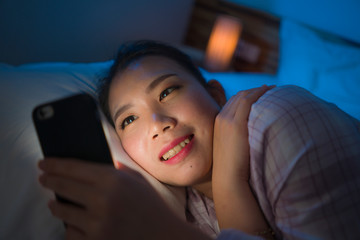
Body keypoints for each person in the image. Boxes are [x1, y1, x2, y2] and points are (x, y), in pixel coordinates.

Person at [38, 40, 360, 240]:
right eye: (130, 119)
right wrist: (228, 182)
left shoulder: (279, 118)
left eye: (167, 91)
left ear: (215, 94)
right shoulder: (187, 211)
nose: (158, 125)